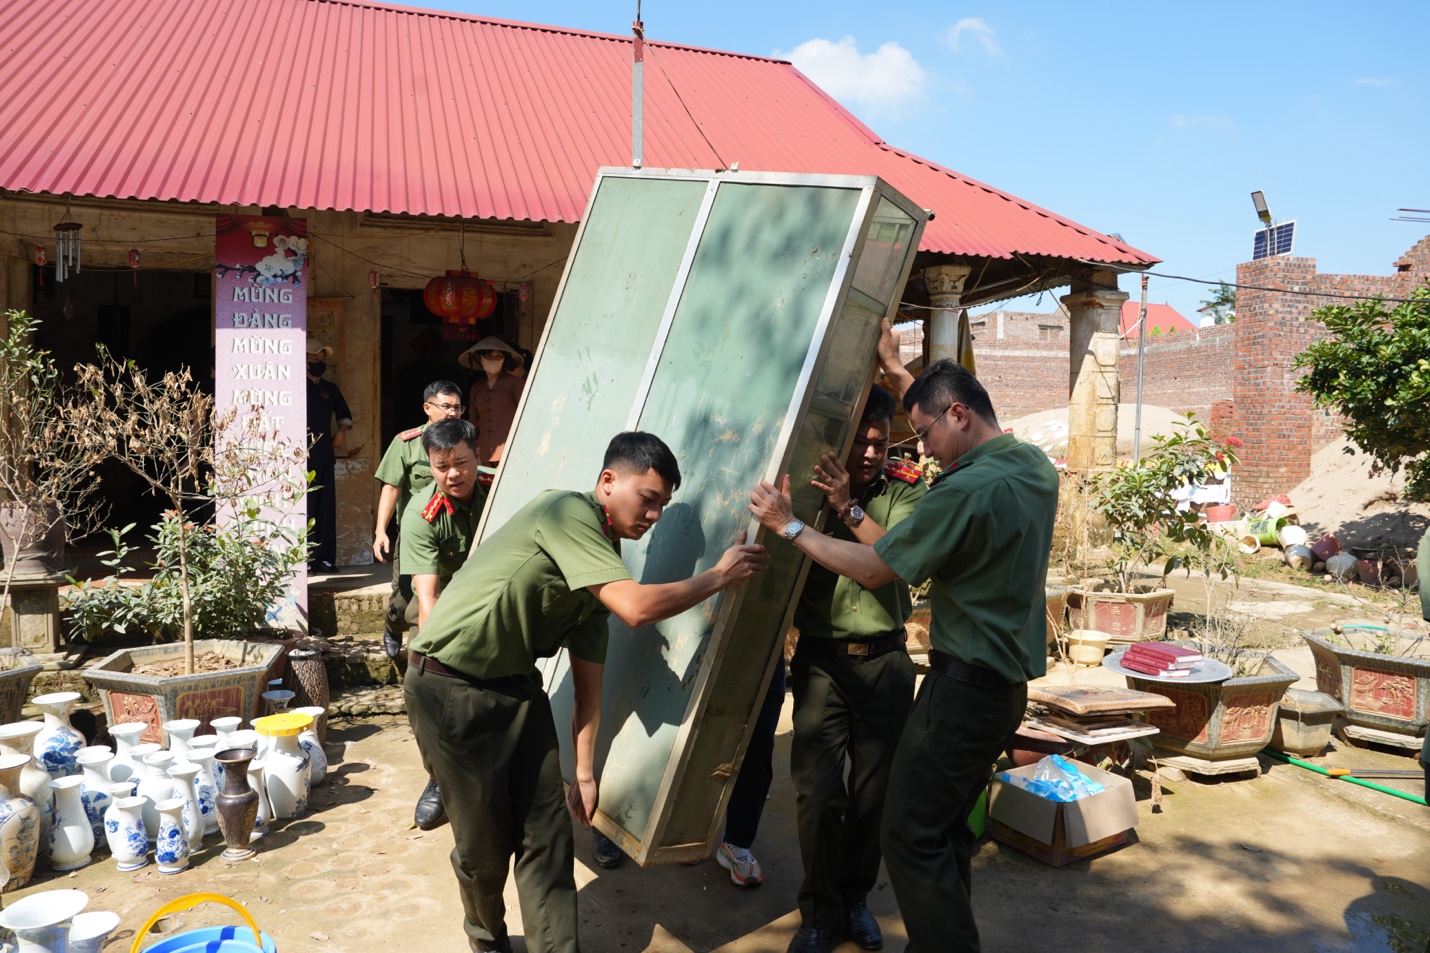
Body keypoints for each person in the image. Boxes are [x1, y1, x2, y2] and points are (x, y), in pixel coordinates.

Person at [404, 431, 769, 953]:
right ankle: (487, 940)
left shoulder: (603, 565)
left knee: (548, 838)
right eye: (648, 499)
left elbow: (587, 688)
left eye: (662, 506)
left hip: (517, 691)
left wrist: (583, 773)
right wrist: (718, 576)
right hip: (449, 688)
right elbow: (636, 609)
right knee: (483, 849)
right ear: (608, 481)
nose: (653, 516)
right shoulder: (565, 512)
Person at [749, 350, 1058, 953]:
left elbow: (874, 568)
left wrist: (790, 526)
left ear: (958, 415)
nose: (922, 449)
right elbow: (947, 409)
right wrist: (898, 370)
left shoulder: (960, 491)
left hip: (961, 691)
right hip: (1002, 693)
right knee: (941, 829)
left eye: (923, 434)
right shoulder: (1031, 465)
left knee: (909, 833)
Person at [782, 384, 925, 953]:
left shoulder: (905, 490)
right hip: (822, 663)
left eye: (880, 442)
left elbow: (897, 558)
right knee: (818, 795)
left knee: (874, 796)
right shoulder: (805, 492)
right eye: (860, 441)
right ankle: (819, 913)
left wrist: (848, 508)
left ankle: (855, 901)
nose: (869, 453)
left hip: (886, 662)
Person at [392, 415, 484, 832]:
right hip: (442, 603)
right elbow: (428, 598)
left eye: (461, 463)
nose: (453, 475)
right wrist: (434, 664)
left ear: (477, 456)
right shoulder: (421, 513)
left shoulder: (500, 488)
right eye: (441, 466)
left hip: (494, 594)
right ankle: (439, 775)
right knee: (421, 688)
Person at [373, 381, 465, 660]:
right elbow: (391, 487)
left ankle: (426, 657)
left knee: (435, 597)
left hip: (453, 533)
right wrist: (380, 531)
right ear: (427, 408)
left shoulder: (467, 440)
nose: (452, 413)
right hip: (416, 534)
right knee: (403, 599)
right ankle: (392, 625)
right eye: (445, 406)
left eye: (457, 407)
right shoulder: (407, 443)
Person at [305, 343, 352, 572]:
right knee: (304, 508)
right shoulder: (292, 387)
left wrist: (340, 433)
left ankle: (325, 559)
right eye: (315, 358)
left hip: (324, 455)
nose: (319, 362)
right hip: (298, 458)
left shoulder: (329, 388)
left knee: (325, 509)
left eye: (322, 358)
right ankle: (304, 560)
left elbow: (345, 416)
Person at [460, 336, 526, 474]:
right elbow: (473, 421)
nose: (494, 360)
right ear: (480, 358)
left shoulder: (515, 384)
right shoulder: (476, 388)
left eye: (498, 356)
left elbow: (526, 416)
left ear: (504, 359)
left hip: (510, 451)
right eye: (489, 356)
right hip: (483, 452)